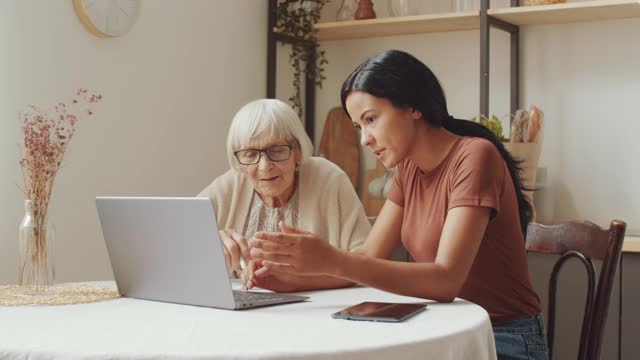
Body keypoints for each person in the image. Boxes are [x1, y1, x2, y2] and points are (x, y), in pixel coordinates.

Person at [247, 50, 548, 359]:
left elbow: (446, 280)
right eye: (358, 127)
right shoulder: (408, 169)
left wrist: (330, 259)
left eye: (371, 119)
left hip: (504, 339)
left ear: (413, 106)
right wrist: (296, 279)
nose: (364, 139)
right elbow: (366, 257)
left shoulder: (475, 156)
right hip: (442, 330)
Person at [198, 98, 370, 291]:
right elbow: (174, 243)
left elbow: (366, 264)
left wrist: (295, 280)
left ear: (297, 151)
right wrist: (207, 243)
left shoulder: (329, 178)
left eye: (277, 150)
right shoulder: (231, 184)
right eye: (250, 154)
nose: (264, 167)